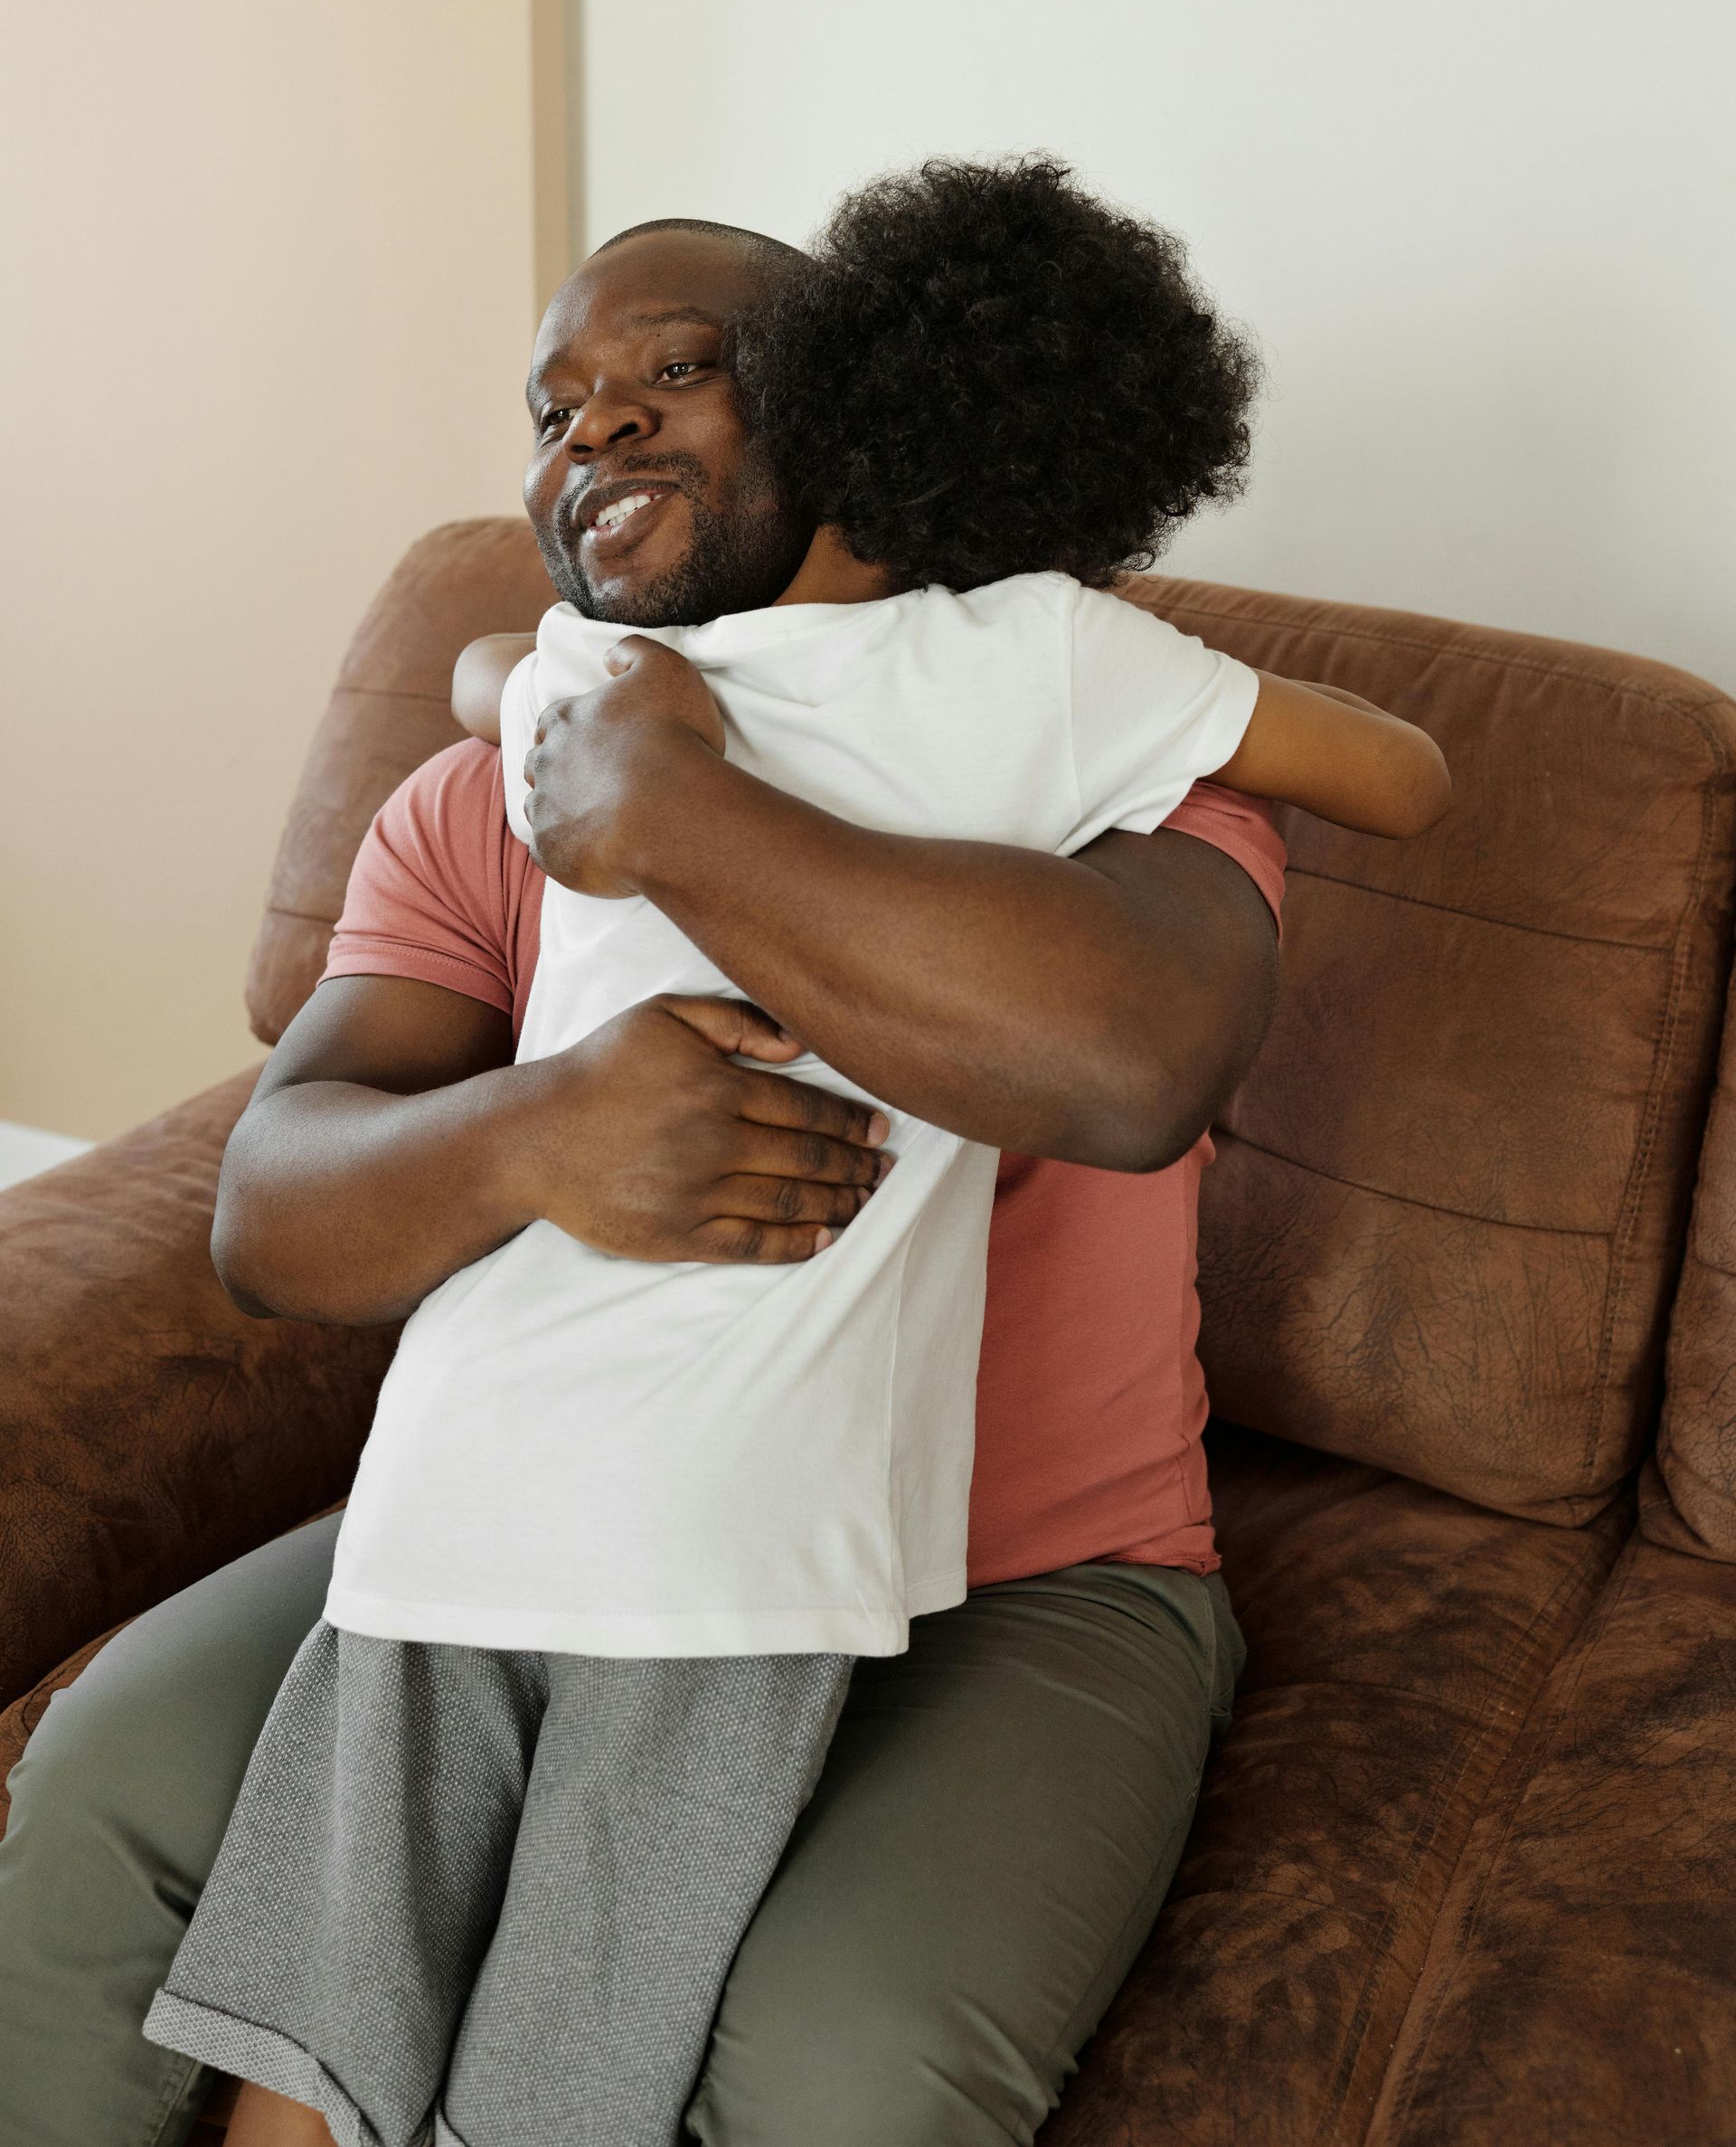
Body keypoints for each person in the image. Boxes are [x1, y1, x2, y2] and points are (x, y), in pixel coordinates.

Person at [129, 161, 1448, 2147]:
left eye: (677, 369)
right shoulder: (571, 698)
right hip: (471, 1483)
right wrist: (539, 1120)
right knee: (295, 2037)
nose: (596, 424)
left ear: (868, 405)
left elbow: (1138, 1045)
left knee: (602, 2072)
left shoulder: (1049, 686)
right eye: (554, 409)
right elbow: (267, 1206)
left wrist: (665, 808)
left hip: (812, 1547)